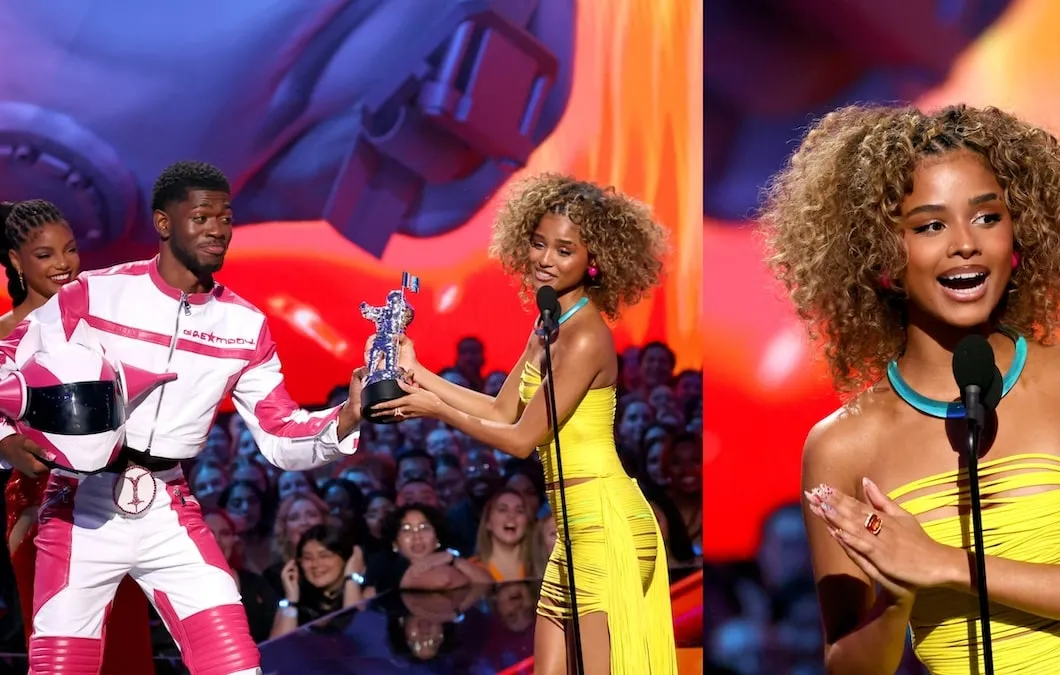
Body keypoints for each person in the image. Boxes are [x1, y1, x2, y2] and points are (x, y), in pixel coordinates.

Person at [759, 104, 1060, 673]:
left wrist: (944, 563)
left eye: (987, 218)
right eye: (929, 225)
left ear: (1019, 235)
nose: (965, 244)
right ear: (880, 257)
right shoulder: (841, 447)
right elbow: (850, 664)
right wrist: (896, 593)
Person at [0, 161, 367, 675]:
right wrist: (5, 441)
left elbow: (281, 435)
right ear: (164, 223)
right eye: (201, 216)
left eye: (225, 217)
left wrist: (347, 417)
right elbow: (6, 360)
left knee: (237, 666)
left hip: (168, 509)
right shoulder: (94, 294)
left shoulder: (245, 325)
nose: (218, 228)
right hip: (77, 507)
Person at [376, 174, 679, 673]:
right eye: (539, 244)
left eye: (564, 250)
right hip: (574, 530)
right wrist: (419, 374)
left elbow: (519, 440)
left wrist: (436, 409)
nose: (545, 259)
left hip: (605, 527)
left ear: (594, 259)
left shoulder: (584, 337)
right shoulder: (550, 323)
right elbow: (502, 409)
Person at [0, 200, 155, 674]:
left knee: (124, 648)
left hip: (113, 506)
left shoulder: (105, 327)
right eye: (45, 255)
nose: (64, 264)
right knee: (62, 654)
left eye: (69, 250)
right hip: (38, 512)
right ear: (13, 261)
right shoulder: (4, 337)